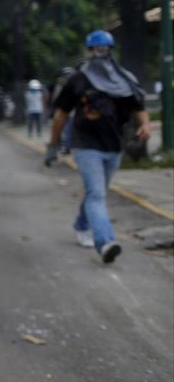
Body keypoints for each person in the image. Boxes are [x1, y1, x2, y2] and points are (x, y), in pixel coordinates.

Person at [45, 30, 150, 263]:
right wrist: (53, 145)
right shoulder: (78, 79)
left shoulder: (123, 79)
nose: (100, 53)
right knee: (97, 193)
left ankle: (82, 225)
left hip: (114, 146)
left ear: (111, 51)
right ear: (89, 51)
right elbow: (61, 115)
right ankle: (105, 242)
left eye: (105, 49)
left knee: (97, 191)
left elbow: (138, 106)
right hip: (86, 145)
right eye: (96, 49)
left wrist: (145, 124)